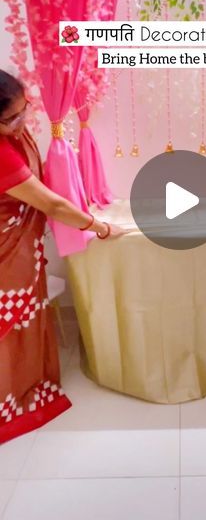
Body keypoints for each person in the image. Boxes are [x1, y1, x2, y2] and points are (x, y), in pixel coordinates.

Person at [0, 70, 131, 443]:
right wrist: (99, 227)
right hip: (6, 251)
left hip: (18, 247)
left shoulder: (10, 134)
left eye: (25, 109)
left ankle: (27, 382)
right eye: (12, 118)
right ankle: (10, 400)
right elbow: (51, 203)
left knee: (25, 318)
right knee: (10, 327)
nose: (23, 121)